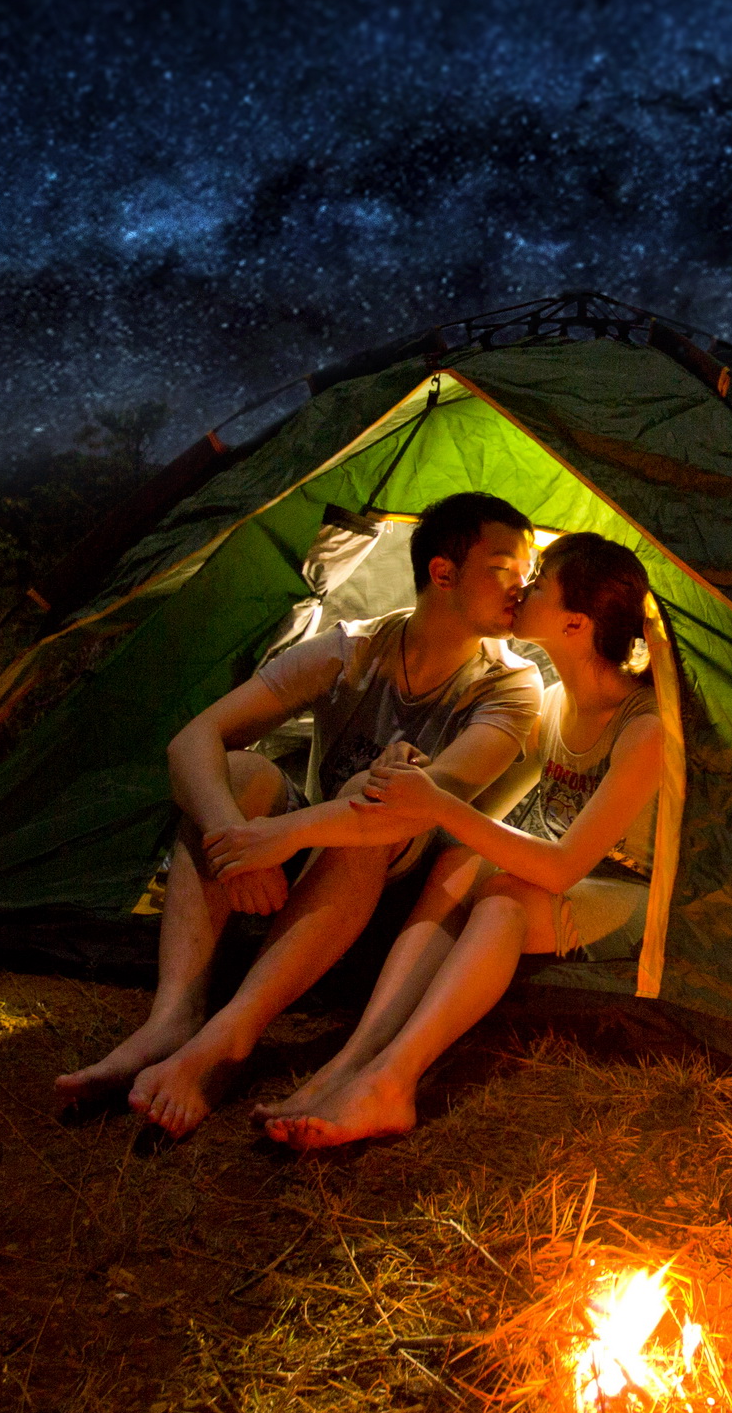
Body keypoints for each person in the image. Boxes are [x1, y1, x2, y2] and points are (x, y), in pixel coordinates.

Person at [53, 490, 545, 1136]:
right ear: (443, 573)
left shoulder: (510, 685)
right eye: (506, 569)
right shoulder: (355, 648)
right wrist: (236, 835)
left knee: (379, 795)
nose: (523, 588)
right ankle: (173, 1015)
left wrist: (277, 839)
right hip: (305, 858)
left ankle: (231, 1037)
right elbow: (191, 743)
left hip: (394, 892)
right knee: (240, 774)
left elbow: (422, 804)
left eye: (530, 573)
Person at [257, 531, 674, 1149]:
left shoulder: (643, 730)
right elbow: (475, 815)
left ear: (576, 624)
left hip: (628, 893)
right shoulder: (556, 702)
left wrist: (440, 804)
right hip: (565, 878)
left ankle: (392, 1084)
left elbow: (561, 869)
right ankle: (350, 1064)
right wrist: (415, 777)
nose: (520, 591)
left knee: (505, 897)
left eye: (538, 584)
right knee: (460, 860)